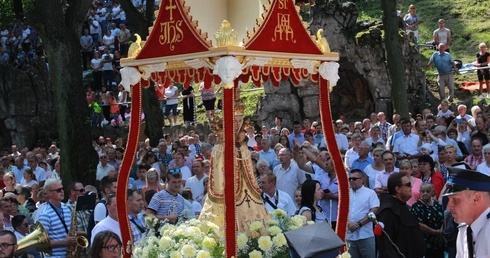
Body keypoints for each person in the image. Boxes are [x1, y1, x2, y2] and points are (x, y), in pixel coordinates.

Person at [376, 172, 425, 258]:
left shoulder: (402, 206)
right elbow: (386, 245)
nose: (411, 187)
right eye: (408, 184)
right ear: (398, 189)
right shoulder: (388, 211)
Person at [444, 167, 490, 257]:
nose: (449, 207)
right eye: (448, 200)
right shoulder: (464, 228)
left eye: (455, 200)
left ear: (476, 198)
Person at [38, 178, 77, 257]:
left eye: (62, 189)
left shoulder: (66, 208)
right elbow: (41, 243)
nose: (62, 191)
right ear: (50, 193)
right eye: (58, 190)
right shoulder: (45, 214)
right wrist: (64, 242)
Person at [346, 169, 379, 258]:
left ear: (362, 179)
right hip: (349, 235)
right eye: (350, 179)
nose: (351, 181)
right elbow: (341, 211)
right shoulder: (345, 194)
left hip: (365, 234)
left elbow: (374, 210)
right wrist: (348, 223)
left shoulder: (370, 193)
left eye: (354, 179)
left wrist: (359, 224)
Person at [411, 183, 445, 258]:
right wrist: (436, 232)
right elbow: (419, 224)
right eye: (423, 191)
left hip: (438, 242)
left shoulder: (438, 204)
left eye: (428, 191)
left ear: (433, 192)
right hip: (424, 242)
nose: (425, 193)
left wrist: (440, 232)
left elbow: (443, 219)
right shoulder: (417, 206)